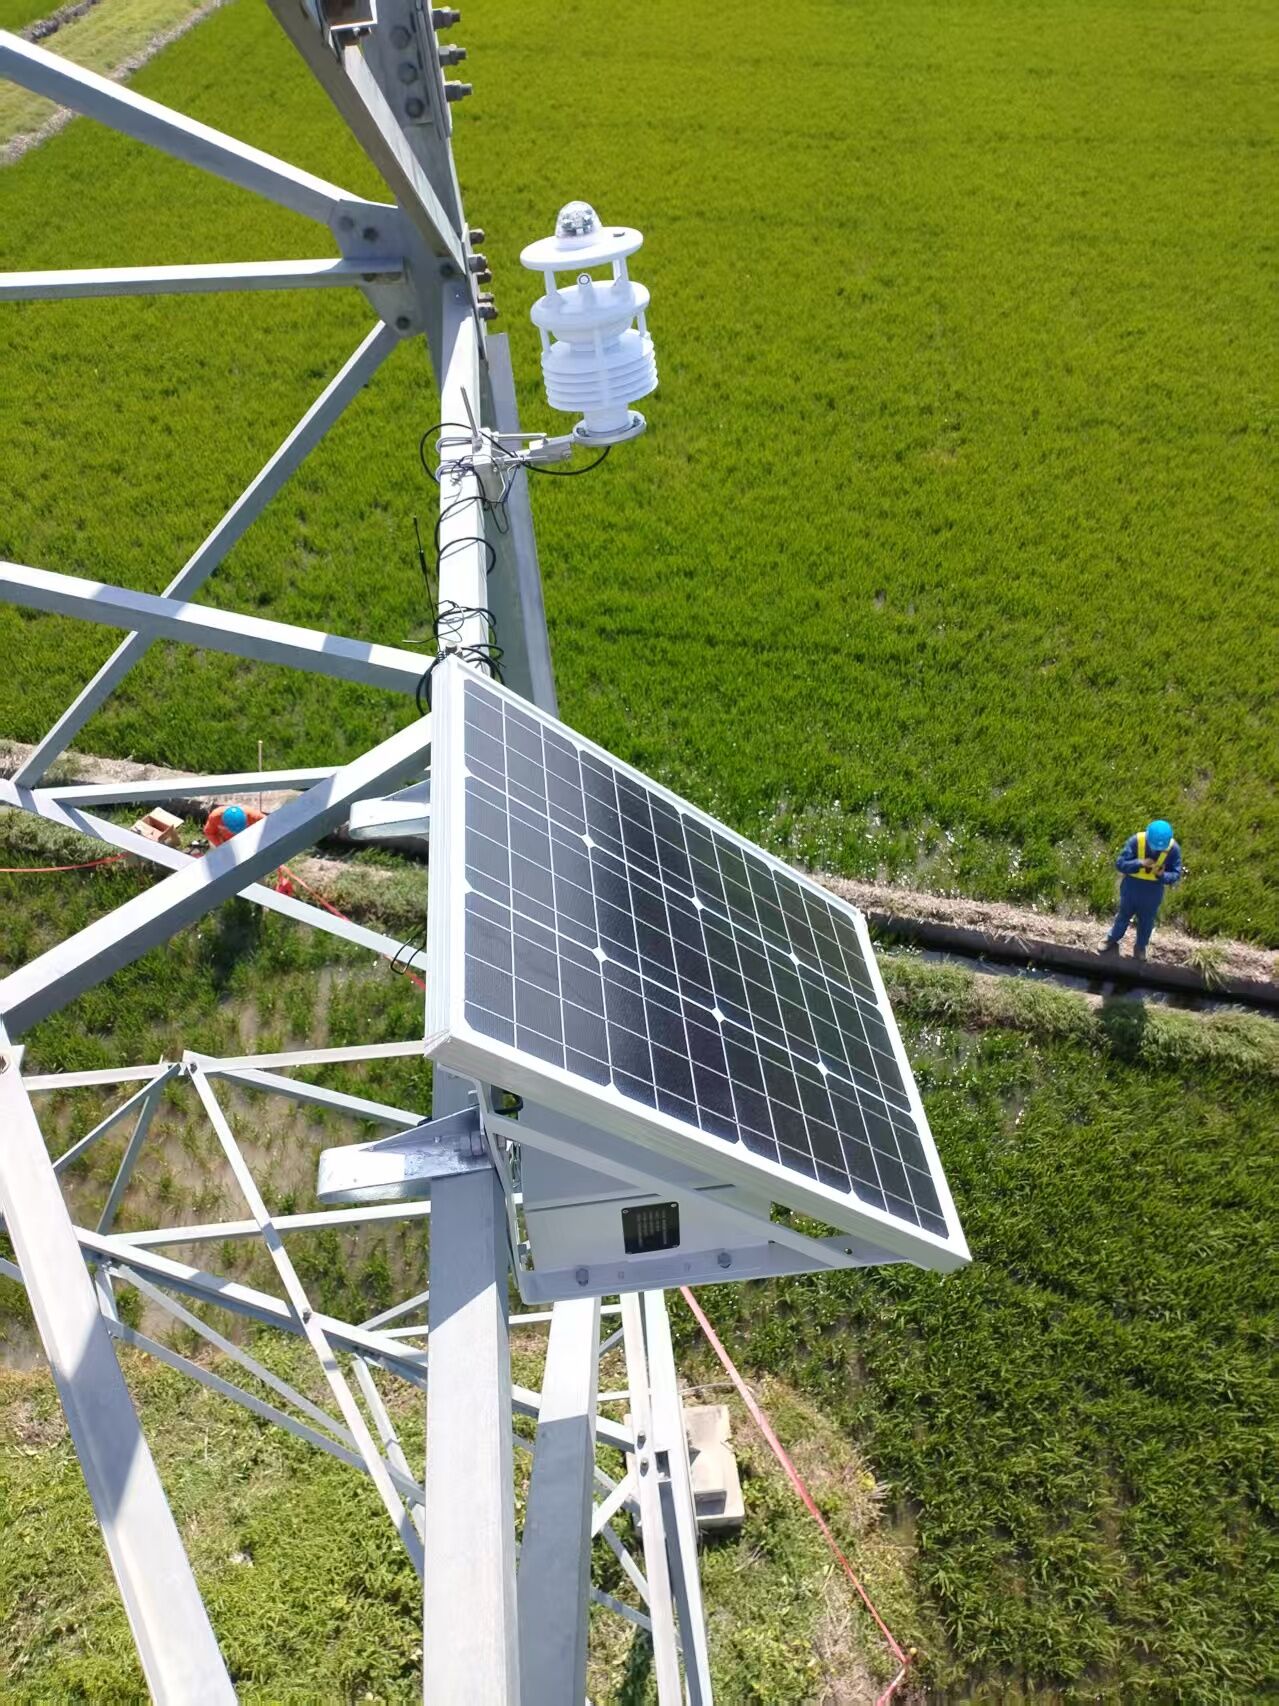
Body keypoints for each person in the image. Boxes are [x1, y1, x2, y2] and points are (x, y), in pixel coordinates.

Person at [1101, 818, 1182, 960]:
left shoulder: (1173, 849)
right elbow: (1120, 864)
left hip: (1153, 892)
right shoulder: (1136, 841)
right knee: (1123, 915)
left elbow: (1175, 874)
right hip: (1131, 887)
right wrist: (1140, 863)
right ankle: (1111, 938)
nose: (1157, 850)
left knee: (1146, 921)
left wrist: (1162, 875)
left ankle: (1140, 947)